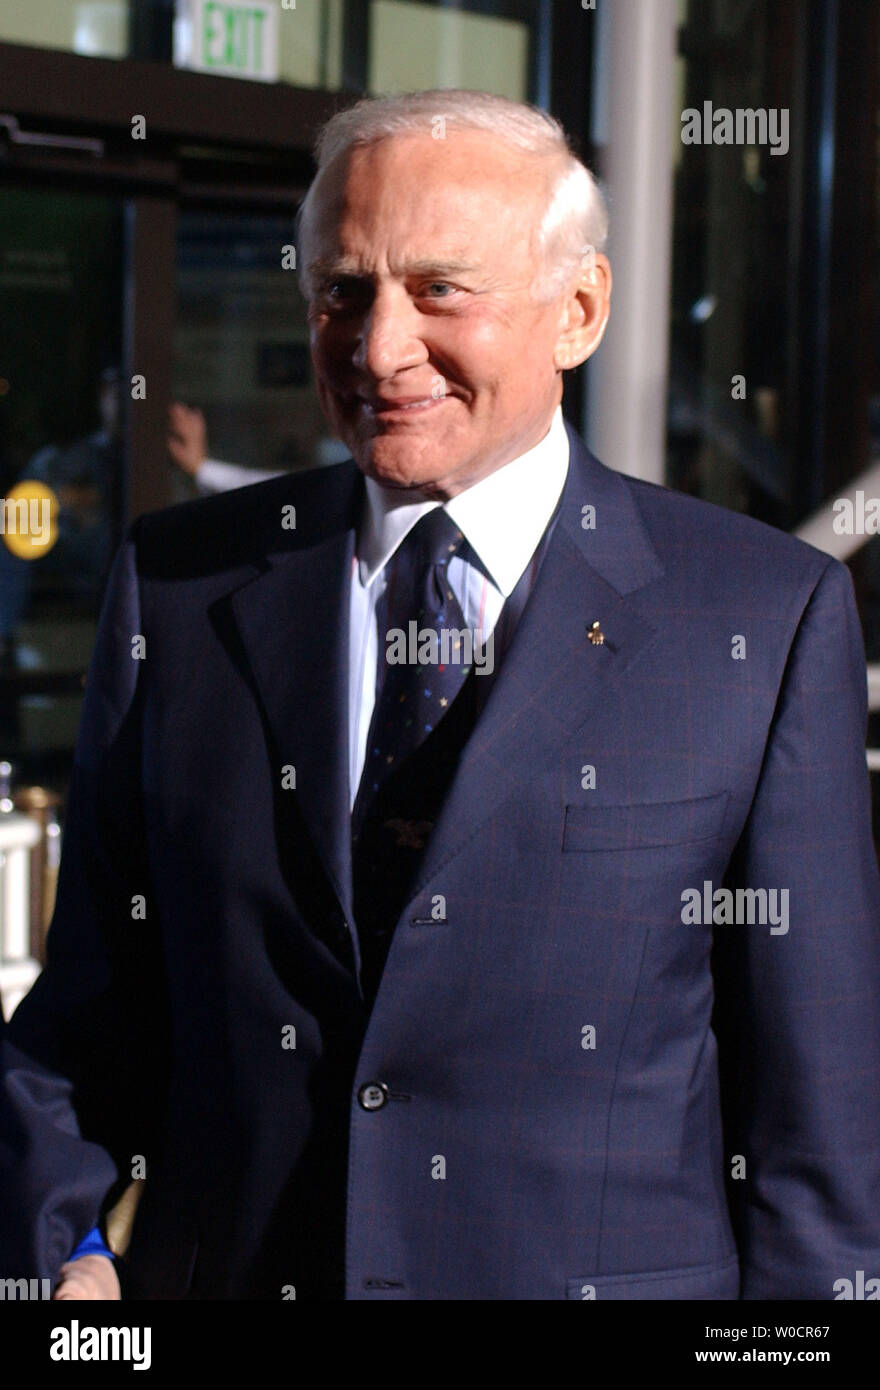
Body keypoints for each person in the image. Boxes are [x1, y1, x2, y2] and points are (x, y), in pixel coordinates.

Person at [2, 89, 879, 1302]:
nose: (377, 347)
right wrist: (64, 1248)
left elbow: (815, 1124)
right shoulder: (180, 587)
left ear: (578, 310)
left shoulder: (757, 618)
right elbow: (92, 1009)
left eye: (438, 290)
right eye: (342, 291)